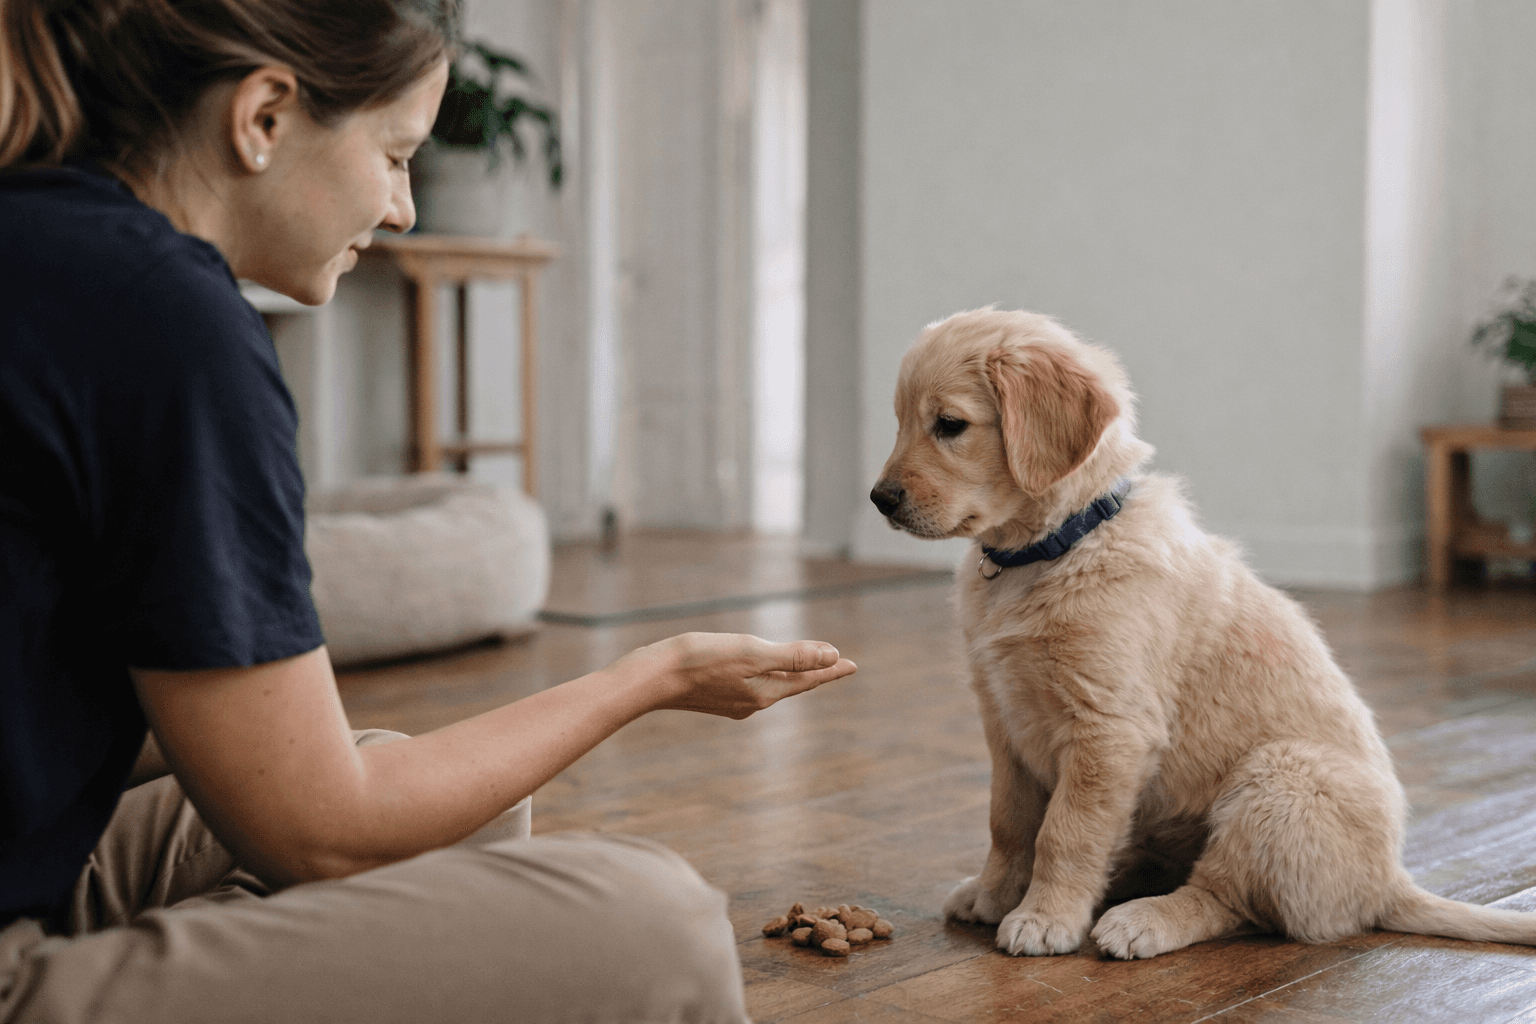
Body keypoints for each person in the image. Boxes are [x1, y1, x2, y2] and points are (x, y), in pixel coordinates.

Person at [0, 1, 857, 1020]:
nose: (405, 209)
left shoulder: (39, 232)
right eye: (397, 155)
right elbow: (325, 833)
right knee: (660, 927)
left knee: (452, 806)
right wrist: (651, 676)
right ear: (263, 117)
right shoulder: (167, 322)